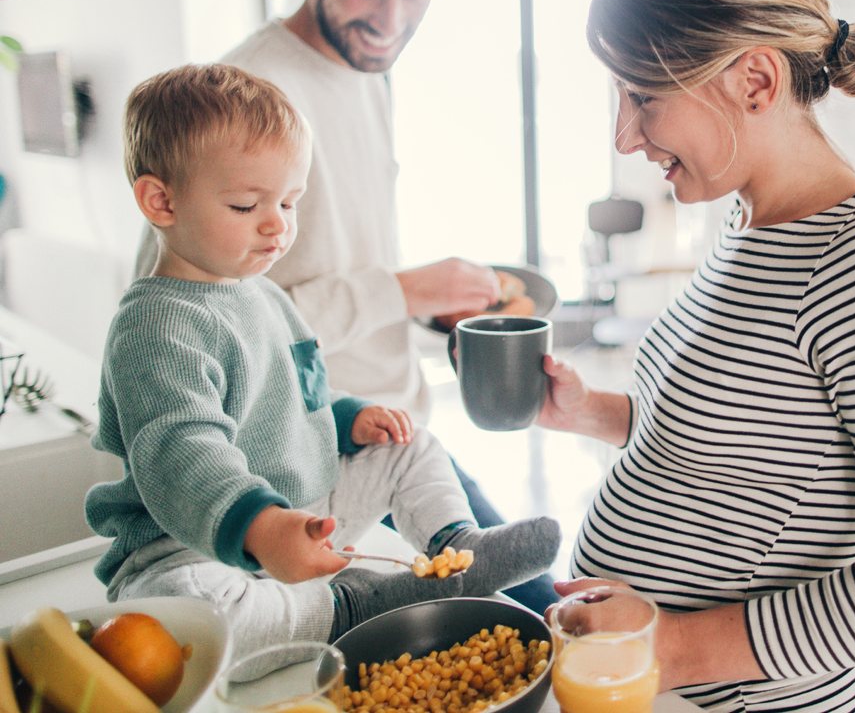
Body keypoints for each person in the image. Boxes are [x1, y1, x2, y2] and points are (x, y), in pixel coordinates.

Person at [537, 0, 855, 711]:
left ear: (755, 79)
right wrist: (591, 412)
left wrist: (668, 648)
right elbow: (743, 451)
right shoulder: (748, 223)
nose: (625, 137)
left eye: (643, 97)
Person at [87, 63, 560, 673]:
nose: (277, 225)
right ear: (161, 200)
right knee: (194, 612)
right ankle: (352, 606)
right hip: (188, 547)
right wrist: (259, 527)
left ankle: (454, 550)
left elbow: (300, 393)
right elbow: (182, 452)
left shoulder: (264, 294)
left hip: (300, 510)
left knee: (411, 444)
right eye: (244, 204)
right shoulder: (156, 327)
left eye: (289, 201)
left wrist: (348, 418)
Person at [224, 0, 556, 612]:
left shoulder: (361, 73)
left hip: (399, 436)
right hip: (315, 470)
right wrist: (402, 291)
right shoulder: (248, 94)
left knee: (544, 612)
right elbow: (226, 329)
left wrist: (424, 308)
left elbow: (329, 263)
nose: (392, 21)